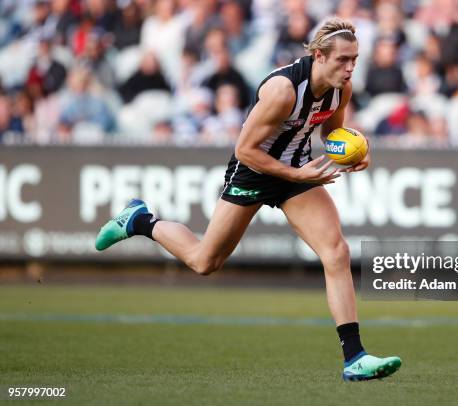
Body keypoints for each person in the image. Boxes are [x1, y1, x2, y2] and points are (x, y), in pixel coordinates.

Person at [94, 17, 401, 382]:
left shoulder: (340, 88)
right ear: (319, 55)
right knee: (204, 261)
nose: (350, 68)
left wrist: (351, 152)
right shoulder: (284, 90)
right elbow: (245, 149)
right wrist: (295, 174)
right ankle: (139, 220)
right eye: (343, 60)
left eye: (354, 59)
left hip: (295, 170)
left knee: (337, 252)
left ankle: (354, 357)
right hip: (254, 171)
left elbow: (332, 131)